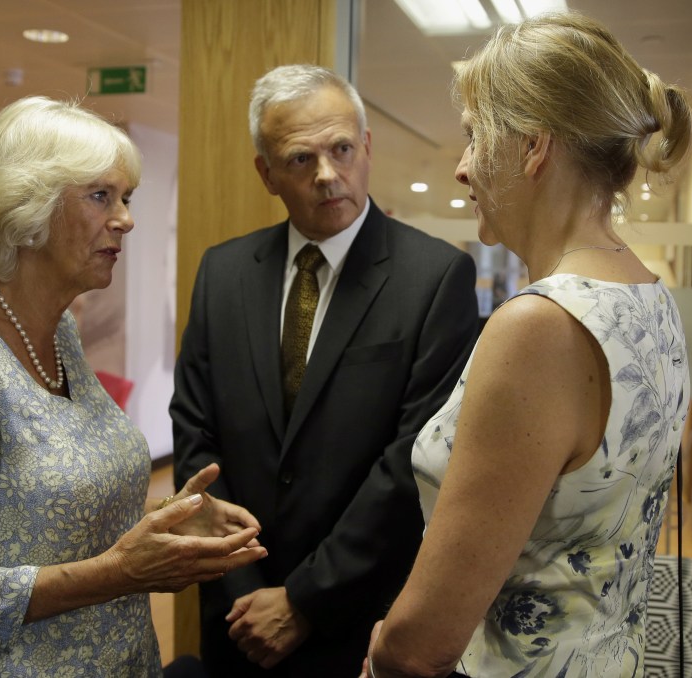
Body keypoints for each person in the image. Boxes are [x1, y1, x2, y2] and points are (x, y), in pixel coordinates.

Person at [0, 95, 267, 677]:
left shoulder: (61, 333)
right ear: (26, 207)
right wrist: (123, 573)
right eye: (101, 196)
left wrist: (168, 524)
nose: (126, 218)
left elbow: (43, 514)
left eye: (126, 198)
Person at [363, 12, 692, 678]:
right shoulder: (647, 292)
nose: (462, 168)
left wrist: (382, 648)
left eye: (473, 137)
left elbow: (424, 645)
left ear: (534, 148)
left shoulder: (540, 325)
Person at [170, 65, 479, 677]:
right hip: (236, 624)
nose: (327, 175)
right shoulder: (223, 273)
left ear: (366, 146)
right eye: (300, 159)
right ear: (266, 173)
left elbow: (411, 462)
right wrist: (243, 588)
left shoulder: (436, 278)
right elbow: (193, 431)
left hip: (357, 626)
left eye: (341, 149)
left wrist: (304, 600)